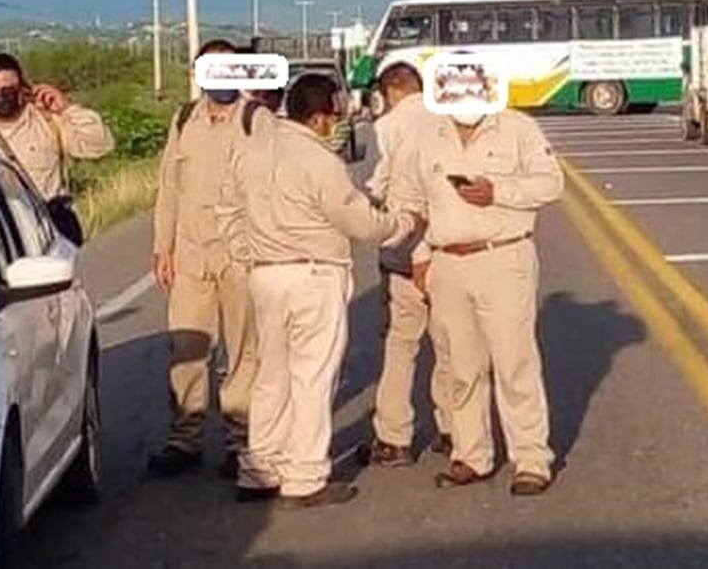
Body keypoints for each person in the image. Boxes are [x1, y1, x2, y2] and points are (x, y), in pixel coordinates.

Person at [235, 74, 422, 509]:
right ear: (319, 117)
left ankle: (259, 467)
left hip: (265, 273)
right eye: (333, 117)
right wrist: (404, 223)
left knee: (271, 377)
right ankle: (305, 477)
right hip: (312, 274)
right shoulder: (319, 161)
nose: (336, 125)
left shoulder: (254, 151)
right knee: (312, 377)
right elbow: (358, 221)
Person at [407, 102, 563, 497]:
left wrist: (498, 192)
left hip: (502, 255)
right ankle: (471, 454)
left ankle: (530, 460)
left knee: (514, 363)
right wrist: (422, 255)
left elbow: (551, 183)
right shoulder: (428, 133)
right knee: (460, 366)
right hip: (447, 261)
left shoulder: (517, 127)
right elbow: (421, 204)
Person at [148, 38, 260, 480]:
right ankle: (185, 437)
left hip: (242, 254)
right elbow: (169, 187)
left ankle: (242, 439)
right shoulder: (184, 120)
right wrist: (163, 247)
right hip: (192, 254)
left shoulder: (256, 119)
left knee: (244, 350)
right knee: (186, 346)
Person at [356, 62, 452, 467]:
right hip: (451, 251)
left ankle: (394, 438)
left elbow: (379, 187)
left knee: (400, 344)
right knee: (452, 346)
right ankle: (455, 429)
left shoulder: (389, 127)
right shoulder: (449, 120)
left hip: (406, 249)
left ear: (390, 91)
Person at [0, 52, 115, 201]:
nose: (1, 98)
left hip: (47, 231)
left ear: (22, 87)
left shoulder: (49, 122)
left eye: (8, 91)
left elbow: (100, 146)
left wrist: (67, 109)